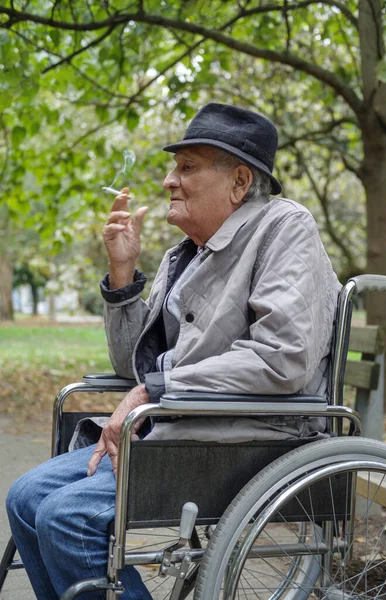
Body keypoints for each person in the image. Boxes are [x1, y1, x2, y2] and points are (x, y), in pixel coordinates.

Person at [6, 103, 340, 599]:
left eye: (187, 167)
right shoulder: (182, 254)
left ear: (240, 181)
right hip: (176, 429)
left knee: (68, 518)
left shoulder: (284, 228)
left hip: (247, 440)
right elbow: (131, 364)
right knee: (25, 497)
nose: (167, 181)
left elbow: (281, 358)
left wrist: (153, 390)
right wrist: (123, 277)